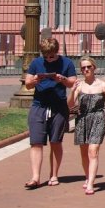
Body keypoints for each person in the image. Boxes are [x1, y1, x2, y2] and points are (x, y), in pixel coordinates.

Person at [24, 37, 77, 189]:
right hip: (39, 106)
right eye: (46, 56)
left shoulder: (66, 63)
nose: (48, 59)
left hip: (59, 107)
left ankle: (54, 175)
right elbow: (27, 84)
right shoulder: (36, 63)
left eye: (51, 56)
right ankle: (35, 177)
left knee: (56, 142)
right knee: (36, 142)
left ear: (56, 52)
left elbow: (73, 82)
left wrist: (63, 80)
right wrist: (34, 80)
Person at [68, 56, 105, 195]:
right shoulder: (79, 85)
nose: (86, 70)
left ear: (94, 68)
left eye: (88, 67)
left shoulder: (104, 85)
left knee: (93, 151)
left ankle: (91, 183)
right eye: (83, 68)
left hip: (97, 118)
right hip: (82, 119)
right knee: (84, 153)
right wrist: (72, 91)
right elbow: (70, 105)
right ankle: (88, 177)